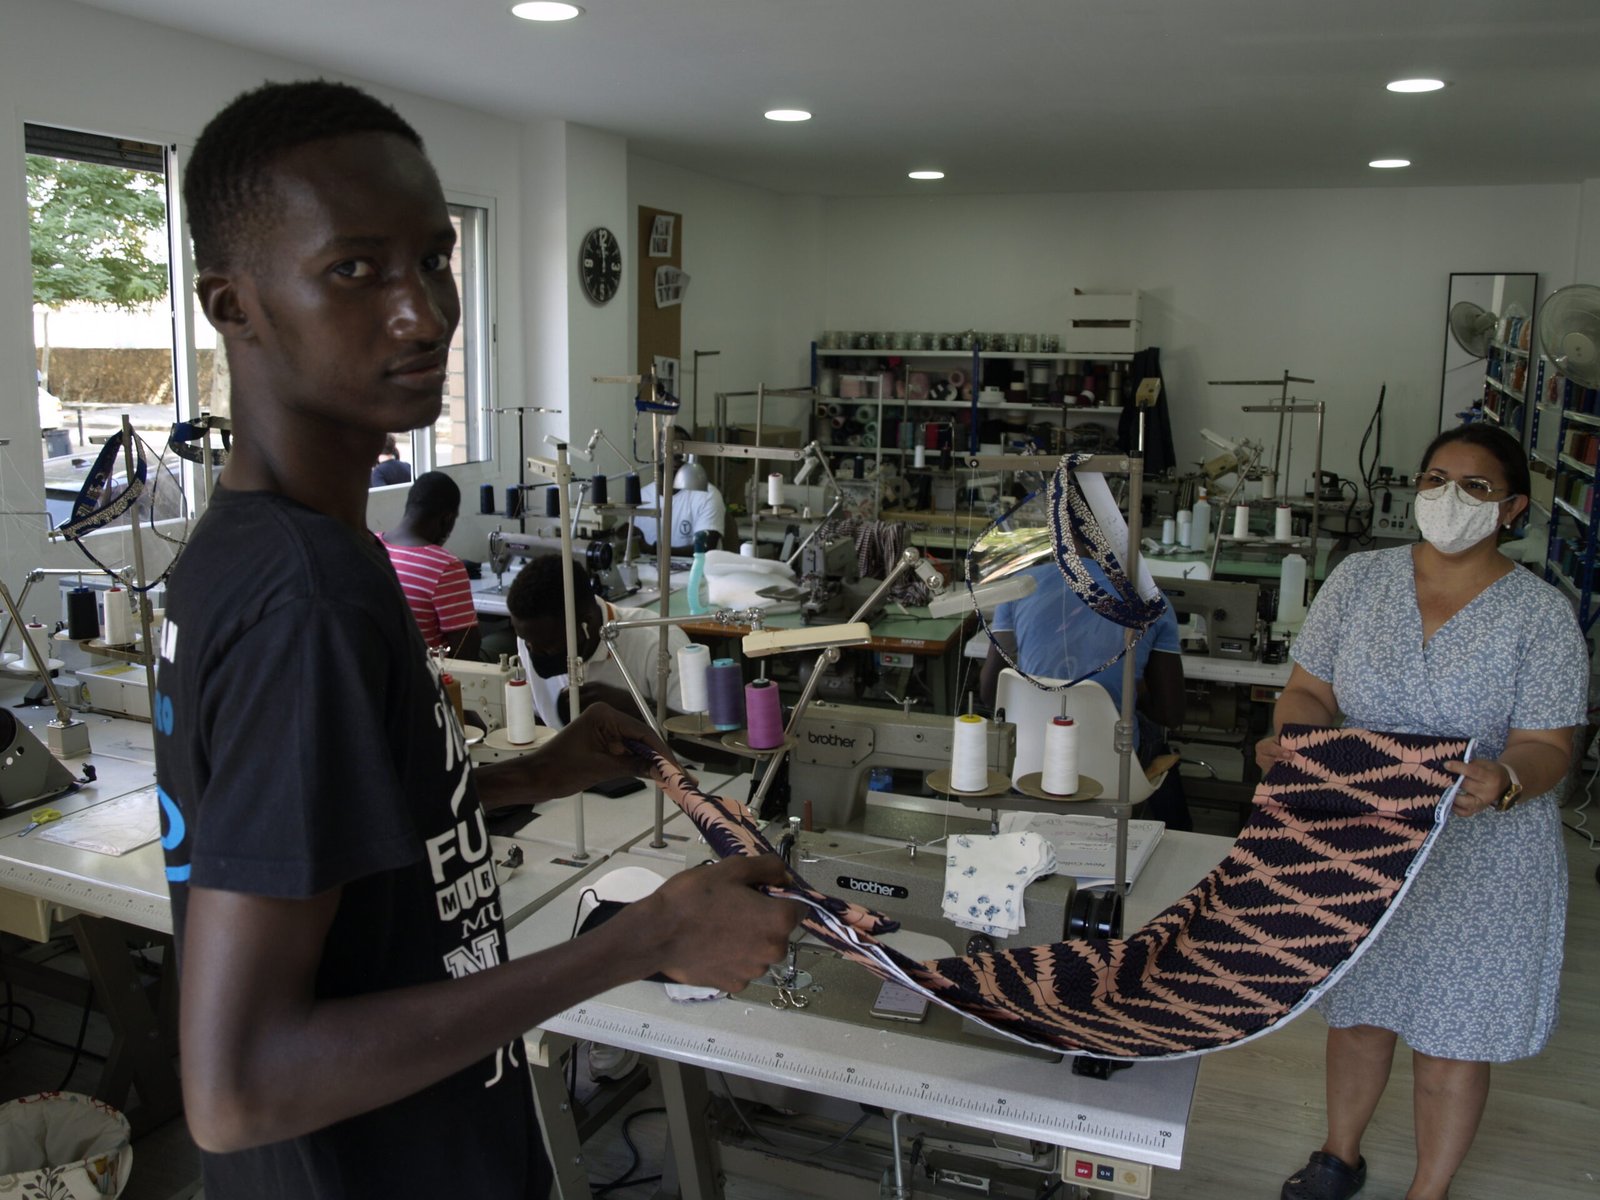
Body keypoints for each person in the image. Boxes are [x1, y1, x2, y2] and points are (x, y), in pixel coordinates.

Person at [155, 79, 799, 1199]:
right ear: (231, 305)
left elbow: (319, 845)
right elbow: (238, 1087)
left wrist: (523, 777)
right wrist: (641, 942)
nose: (426, 312)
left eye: (435, 259)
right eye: (355, 270)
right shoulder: (308, 600)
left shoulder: (265, 552)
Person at [1258, 423, 1585, 1200]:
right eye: (1435, 478)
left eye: (1474, 487)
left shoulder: (1541, 615)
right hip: (1367, 841)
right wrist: (1300, 744)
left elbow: (1550, 744)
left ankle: (1428, 1190)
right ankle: (1338, 1157)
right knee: (1360, 1014)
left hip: (1484, 861)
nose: (1447, 497)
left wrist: (1504, 777)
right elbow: (1309, 691)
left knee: (1452, 1037)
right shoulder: (1360, 581)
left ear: (1511, 509)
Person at [976, 555, 1189, 827]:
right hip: (1113, 769)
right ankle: (1177, 830)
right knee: (1153, 733)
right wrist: (1130, 689)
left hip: (1027, 764)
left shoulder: (1018, 588)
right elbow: (1171, 713)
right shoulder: (1151, 600)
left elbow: (990, 692)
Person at [507, 554, 687, 729]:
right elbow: (536, 722)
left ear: (587, 623)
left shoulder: (658, 644)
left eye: (548, 648)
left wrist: (637, 708)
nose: (533, 651)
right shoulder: (532, 637)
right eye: (527, 643)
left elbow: (703, 745)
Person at [381, 470, 481, 658]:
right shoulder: (445, 566)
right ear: (447, 519)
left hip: (389, 672)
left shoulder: (373, 546)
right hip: (432, 678)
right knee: (506, 638)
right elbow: (467, 651)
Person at [630, 459, 726, 552]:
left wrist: (653, 550)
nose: (676, 456)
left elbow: (704, 547)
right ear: (654, 455)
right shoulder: (642, 495)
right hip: (647, 567)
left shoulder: (706, 494)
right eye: (668, 450)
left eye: (680, 452)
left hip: (697, 567)